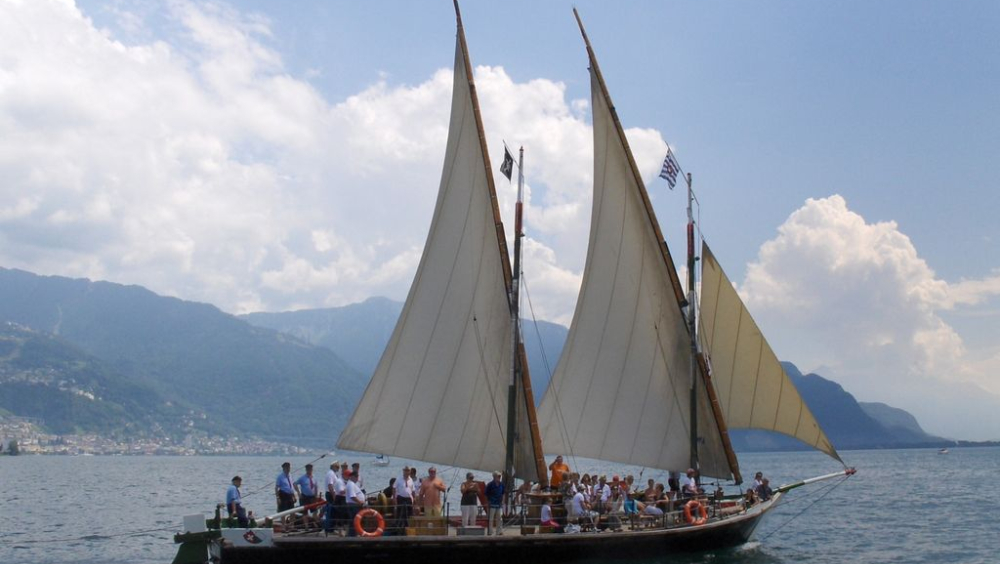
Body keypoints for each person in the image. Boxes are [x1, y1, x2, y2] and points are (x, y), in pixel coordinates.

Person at [344, 469, 366, 536]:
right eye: (356, 476)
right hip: (353, 506)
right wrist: (360, 502)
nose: (357, 478)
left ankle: (353, 534)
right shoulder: (351, 484)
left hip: (355, 505)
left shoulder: (353, 484)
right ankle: (351, 536)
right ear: (352, 476)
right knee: (354, 521)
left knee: (356, 521)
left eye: (357, 476)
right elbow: (352, 496)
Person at [485, 471, 505, 536]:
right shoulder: (490, 485)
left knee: (499, 518)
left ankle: (499, 531)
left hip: (499, 504)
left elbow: (503, 493)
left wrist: (503, 501)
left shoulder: (501, 484)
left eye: (500, 476)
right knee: (491, 518)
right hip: (492, 503)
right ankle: (490, 532)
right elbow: (486, 494)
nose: (499, 477)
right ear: (494, 477)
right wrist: (488, 502)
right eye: (498, 476)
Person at [323, 461, 340, 532]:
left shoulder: (333, 474)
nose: (338, 468)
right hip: (330, 494)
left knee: (333, 511)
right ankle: (329, 528)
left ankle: (332, 527)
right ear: (333, 466)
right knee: (330, 510)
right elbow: (330, 485)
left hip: (332, 493)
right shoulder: (330, 474)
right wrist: (334, 496)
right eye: (337, 467)